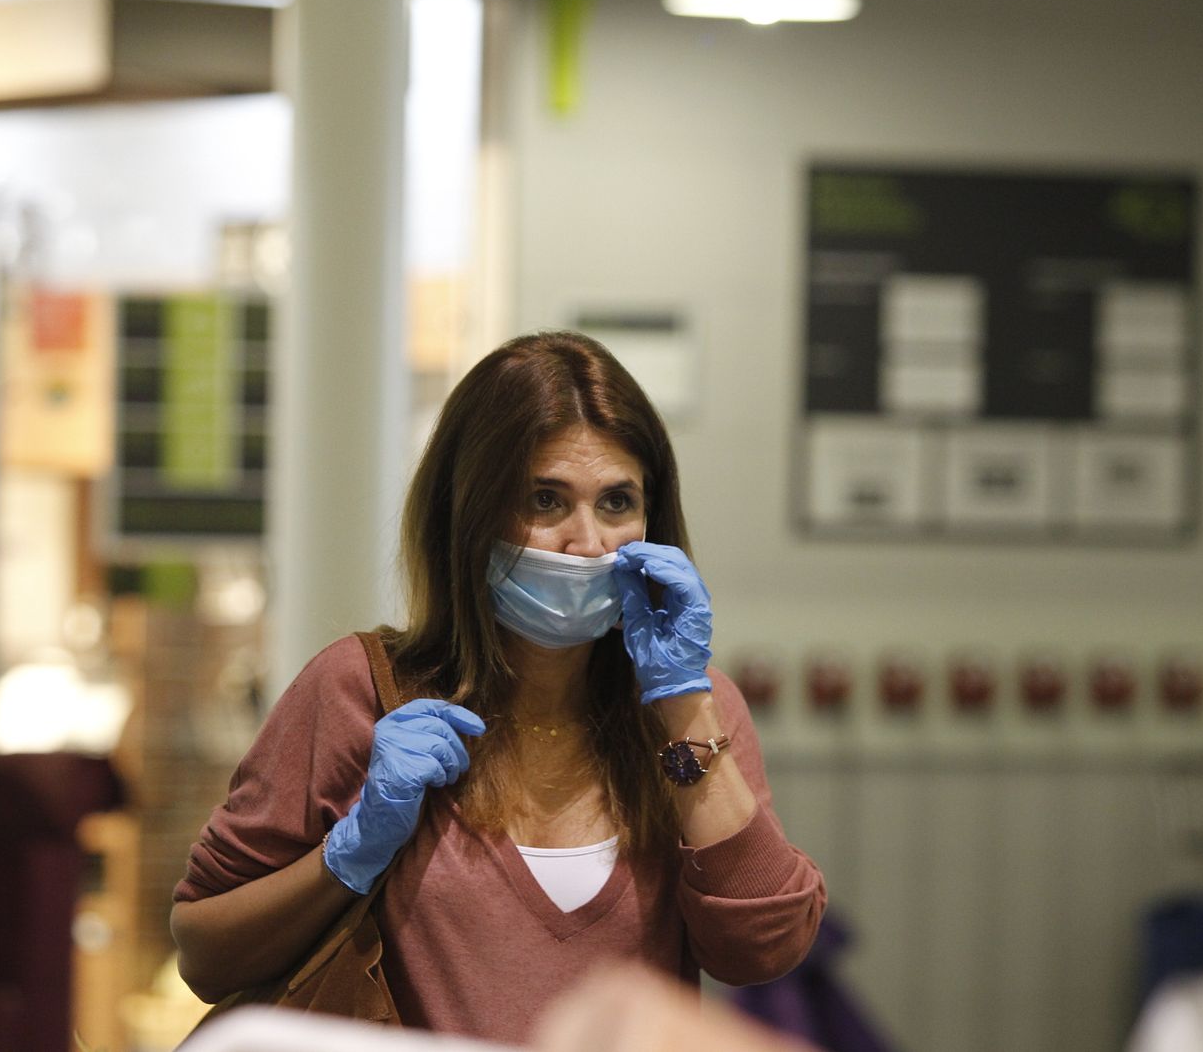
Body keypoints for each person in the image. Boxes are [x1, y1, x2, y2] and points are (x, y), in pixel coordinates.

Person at [170, 331, 826, 1045]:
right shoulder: (359, 690)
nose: (588, 542)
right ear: (472, 514)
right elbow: (207, 952)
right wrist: (349, 854)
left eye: (616, 502)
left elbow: (765, 945)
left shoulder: (691, 711)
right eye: (545, 499)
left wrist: (682, 702)